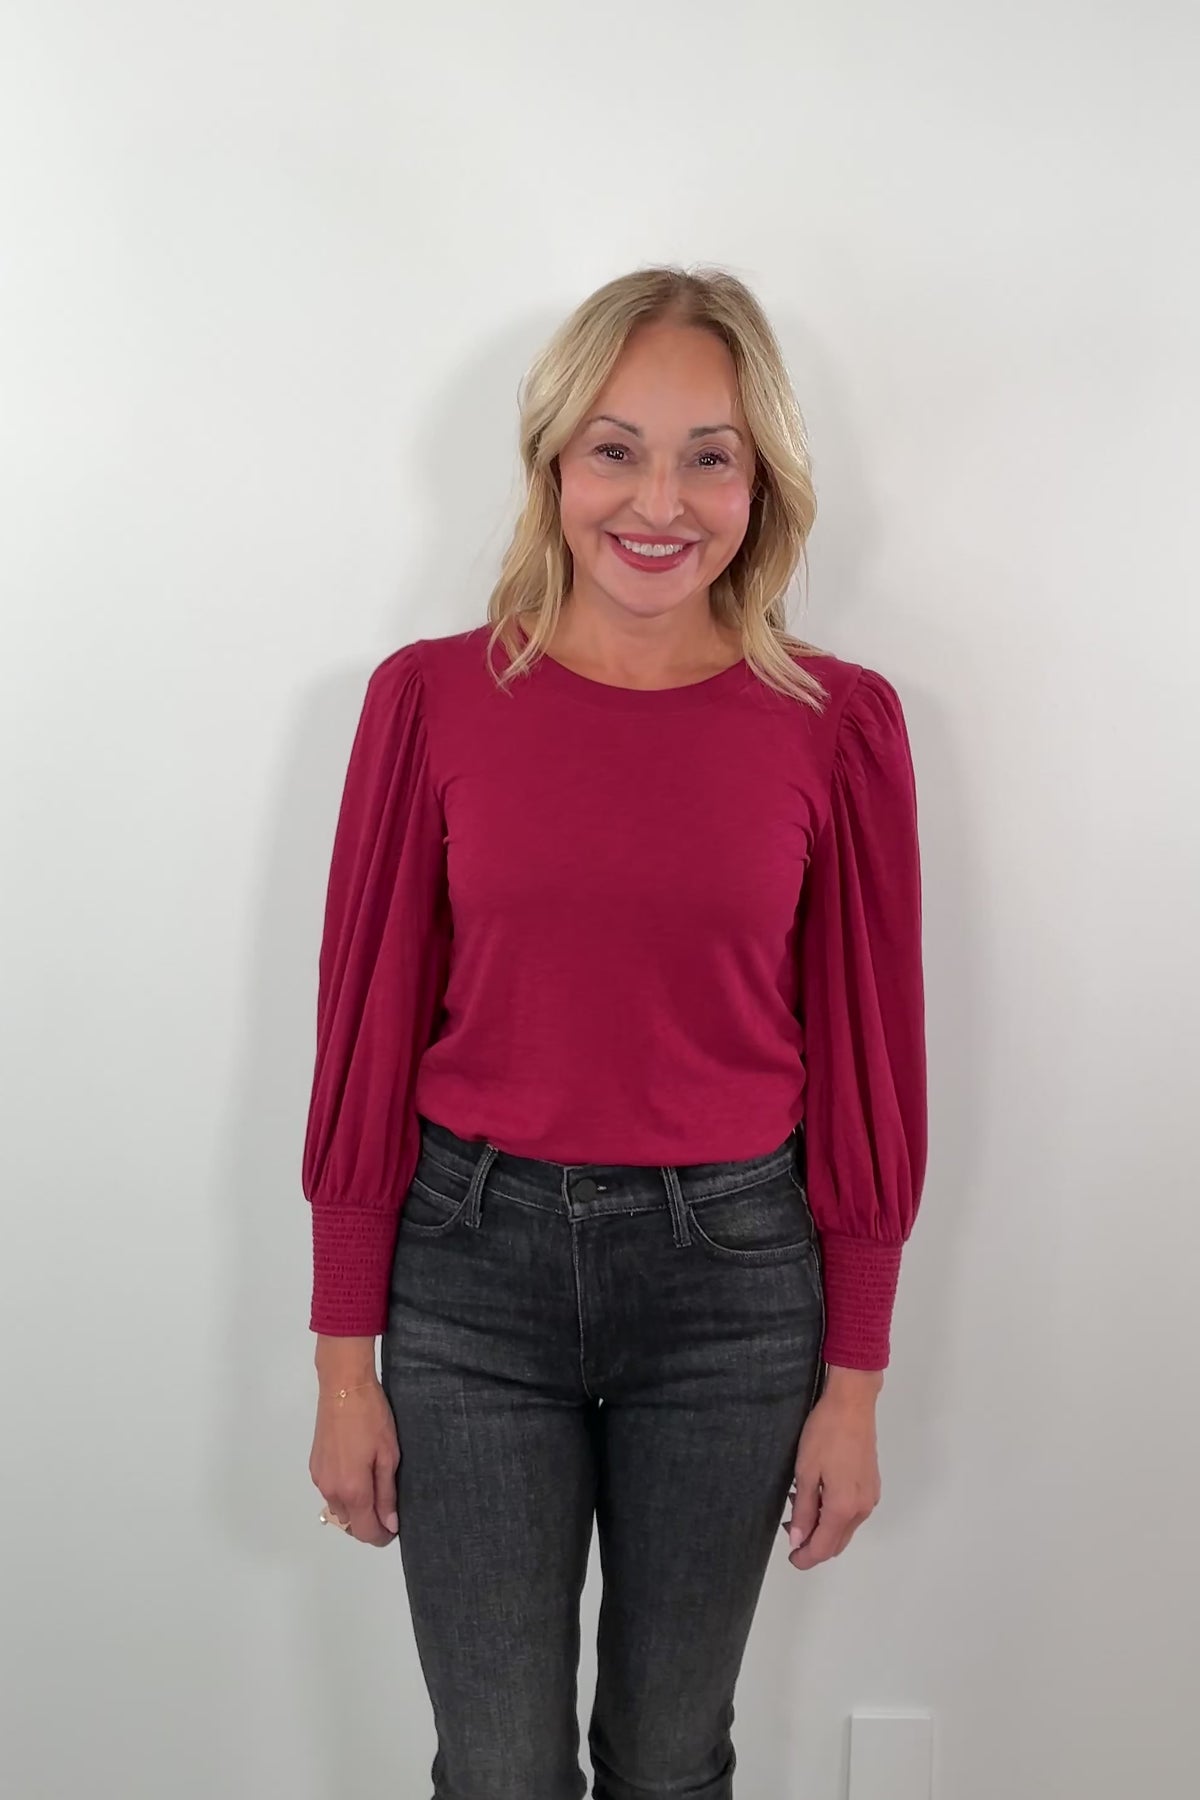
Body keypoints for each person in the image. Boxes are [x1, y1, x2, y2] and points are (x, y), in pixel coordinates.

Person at [302, 265, 927, 1800]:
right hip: (468, 1280)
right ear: (553, 467)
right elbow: (366, 1031)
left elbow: (871, 1061)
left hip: (733, 1290)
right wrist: (342, 1365)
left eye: (709, 455)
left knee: (666, 1757)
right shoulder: (432, 702)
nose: (660, 501)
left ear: (760, 481)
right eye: (616, 450)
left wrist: (855, 1383)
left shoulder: (835, 725)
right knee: (499, 1767)